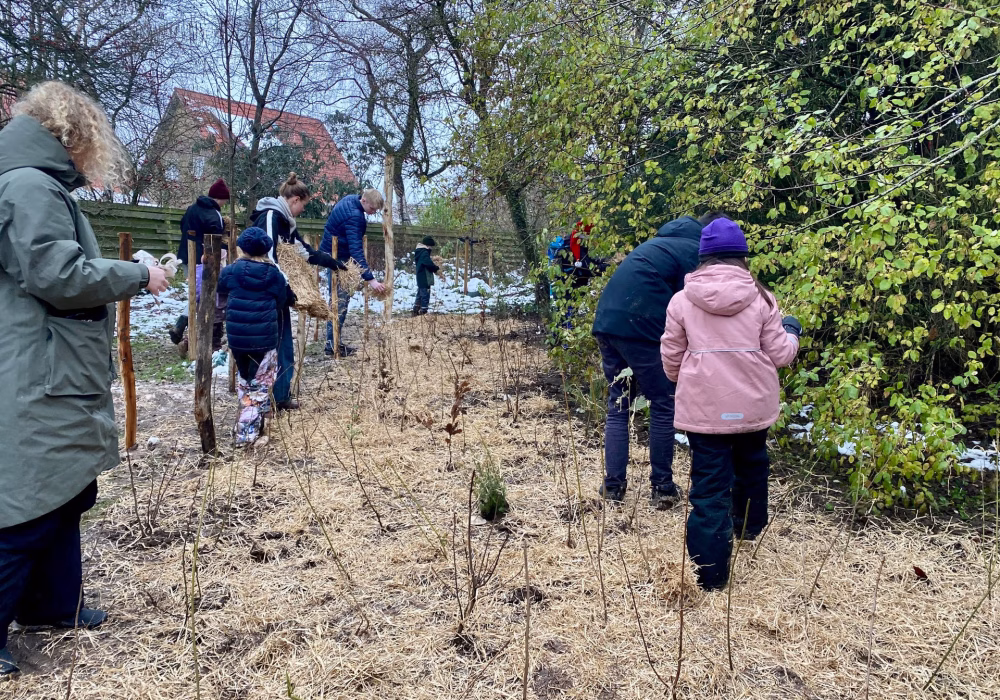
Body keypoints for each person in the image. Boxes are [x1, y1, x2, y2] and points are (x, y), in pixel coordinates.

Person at [0, 81, 171, 680]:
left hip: (51, 365)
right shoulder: (29, 186)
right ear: (73, 136)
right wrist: (134, 273)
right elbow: (56, 273)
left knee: (68, 490)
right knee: (26, 509)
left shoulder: (32, 183)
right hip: (38, 371)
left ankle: (51, 606)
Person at [660, 217, 801, 591]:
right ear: (742, 257)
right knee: (752, 464)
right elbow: (782, 355)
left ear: (703, 257)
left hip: (704, 409)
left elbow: (670, 355)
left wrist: (685, 382)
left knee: (708, 486)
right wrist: (793, 332)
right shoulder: (762, 298)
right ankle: (748, 531)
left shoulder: (681, 301)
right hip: (753, 406)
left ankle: (710, 575)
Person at [591, 211, 726, 508]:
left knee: (619, 405)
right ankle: (662, 487)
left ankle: (613, 487)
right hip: (641, 326)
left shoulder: (659, 243)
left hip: (606, 323)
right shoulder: (695, 250)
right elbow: (697, 302)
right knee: (665, 402)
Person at [250, 172, 345, 410]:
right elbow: (269, 257)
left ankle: (280, 397)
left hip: (277, 293)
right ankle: (264, 400)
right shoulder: (271, 217)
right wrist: (284, 287)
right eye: (303, 205)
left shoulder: (286, 222)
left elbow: (303, 251)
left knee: (284, 346)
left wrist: (331, 262)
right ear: (295, 200)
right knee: (268, 348)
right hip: (264, 293)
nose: (302, 210)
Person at [218, 227, 291, 446]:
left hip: (237, 338)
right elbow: (281, 301)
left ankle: (258, 421)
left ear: (241, 248)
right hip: (265, 339)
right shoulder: (274, 275)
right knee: (261, 383)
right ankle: (246, 436)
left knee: (245, 378)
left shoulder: (231, 271)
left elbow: (221, 289)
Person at [319, 189, 387, 356]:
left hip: (332, 253)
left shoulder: (350, 198)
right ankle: (332, 345)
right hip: (337, 258)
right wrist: (371, 280)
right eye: (372, 209)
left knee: (337, 300)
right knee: (338, 302)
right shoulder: (355, 216)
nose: (373, 213)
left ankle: (334, 341)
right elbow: (356, 251)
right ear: (363, 201)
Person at [169, 178, 230, 346]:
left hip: (186, 255)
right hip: (203, 259)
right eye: (225, 200)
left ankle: (182, 328)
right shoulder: (214, 214)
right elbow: (215, 239)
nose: (225, 203)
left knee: (193, 293)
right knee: (202, 295)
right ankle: (191, 330)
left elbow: (183, 226)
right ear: (220, 198)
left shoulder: (192, 208)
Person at [412, 236, 440, 316]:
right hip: (425, 277)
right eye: (430, 246)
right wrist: (435, 268)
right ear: (427, 245)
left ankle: (416, 310)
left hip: (420, 276)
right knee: (425, 294)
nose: (431, 248)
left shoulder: (420, 252)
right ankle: (423, 312)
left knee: (420, 293)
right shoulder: (424, 252)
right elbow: (427, 263)